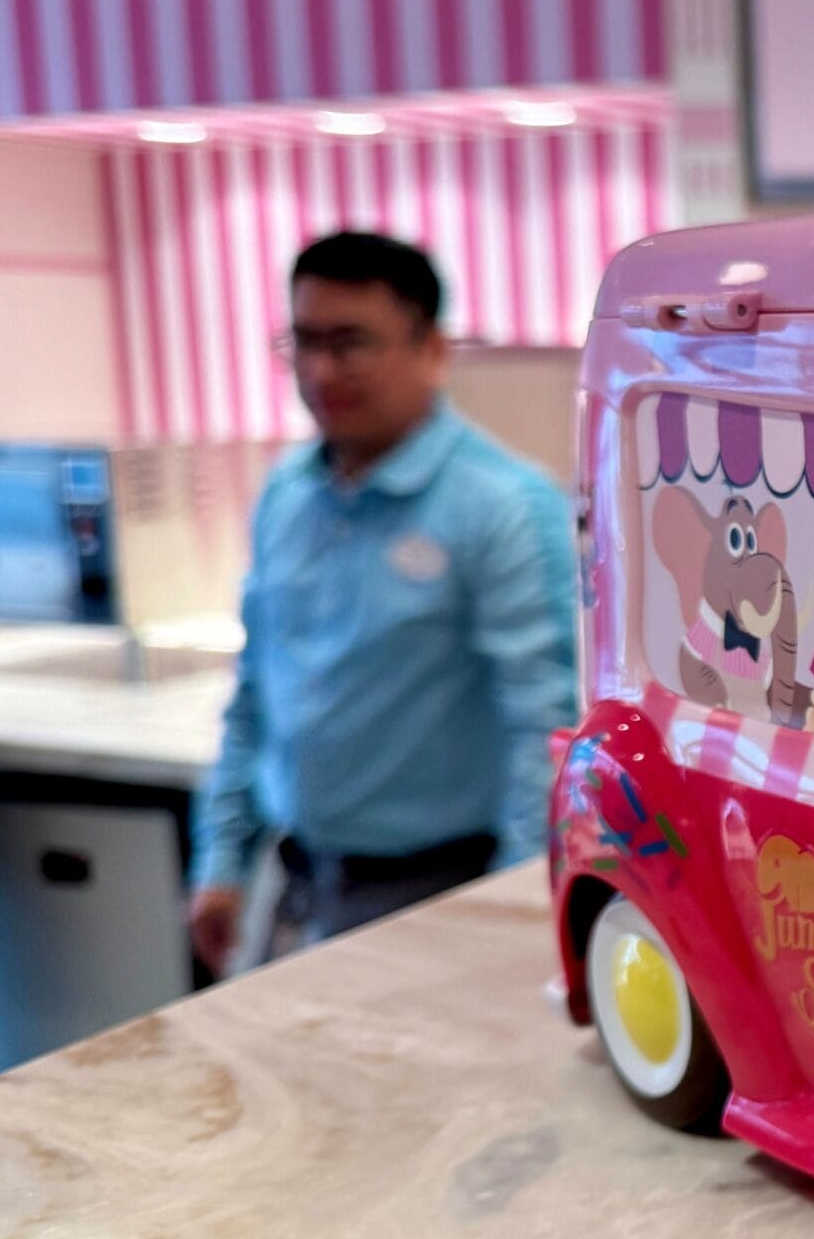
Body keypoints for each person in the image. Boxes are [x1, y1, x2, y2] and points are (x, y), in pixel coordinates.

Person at [186, 232, 576, 972]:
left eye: (351, 343)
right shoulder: (288, 493)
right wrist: (220, 862)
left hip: (442, 894)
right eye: (303, 342)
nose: (321, 370)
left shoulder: (504, 506)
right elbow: (255, 696)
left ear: (431, 348)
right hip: (297, 885)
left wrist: (518, 914)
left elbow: (545, 732)